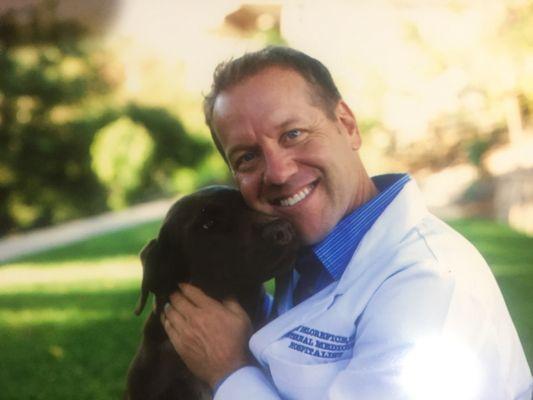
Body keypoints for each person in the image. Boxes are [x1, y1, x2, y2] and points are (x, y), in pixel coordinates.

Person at [161, 46, 532, 399]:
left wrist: (230, 371)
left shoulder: (429, 287)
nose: (277, 171)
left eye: (293, 134)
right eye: (247, 157)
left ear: (347, 125)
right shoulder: (303, 259)